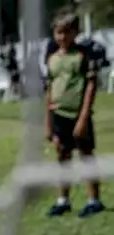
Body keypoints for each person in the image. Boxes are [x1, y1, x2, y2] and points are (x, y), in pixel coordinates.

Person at [44, 12, 104, 218]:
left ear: (75, 33)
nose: (62, 37)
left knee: (86, 156)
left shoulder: (83, 55)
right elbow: (49, 89)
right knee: (62, 156)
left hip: (78, 114)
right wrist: (48, 122)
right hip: (58, 114)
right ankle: (63, 200)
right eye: (58, 32)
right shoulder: (51, 58)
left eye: (67, 32)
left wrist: (83, 118)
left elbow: (91, 86)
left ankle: (94, 200)